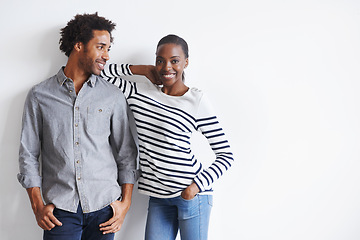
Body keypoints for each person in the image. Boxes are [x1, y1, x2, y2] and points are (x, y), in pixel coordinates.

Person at [17, 13, 138, 240]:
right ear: (79, 45)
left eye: (108, 48)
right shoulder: (39, 95)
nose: (107, 55)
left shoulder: (112, 96)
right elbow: (28, 154)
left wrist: (125, 204)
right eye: (101, 47)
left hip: (105, 209)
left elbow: (126, 153)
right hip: (60, 211)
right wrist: (37, 206)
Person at [101, 34, 234, 240]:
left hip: (192, 196)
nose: (166, 67)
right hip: (159, 197)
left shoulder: (196, 100)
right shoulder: (139, 92)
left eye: (175, 61)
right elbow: (100, 72)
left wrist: (195, 186)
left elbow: (226, 155)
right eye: (160, 61)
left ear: (186, 63)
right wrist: (142, 69)